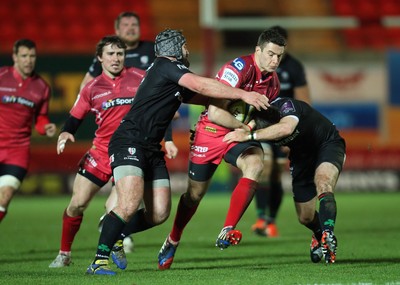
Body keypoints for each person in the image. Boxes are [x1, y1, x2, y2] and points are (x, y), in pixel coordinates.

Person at [85, 28, 270, 275]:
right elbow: (203, 85)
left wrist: (241, 109)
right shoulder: (165, 65)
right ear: (174, 48)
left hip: (151, 148)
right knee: (129, 204)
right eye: (184, 45)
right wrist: (244, 94)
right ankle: (98, 261)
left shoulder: (172, 77)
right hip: (129, 141)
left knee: (159, 213)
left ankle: (117, 230)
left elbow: (206, 98)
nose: (188, 50)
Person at [157, 28, 287, 270]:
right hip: (211, 133)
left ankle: (228, 228)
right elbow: (215, 113)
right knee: (194, 195)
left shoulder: (273, 83)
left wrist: (250, 129)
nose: (275, 61)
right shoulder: (238, 68)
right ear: (257, 50)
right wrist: (243, 128)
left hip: (238, 135)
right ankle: (173, 238)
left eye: (279, 56)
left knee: (256, 163)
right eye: (270, 54)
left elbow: (261, 118)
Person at [80, 11, 178, 252]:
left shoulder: (150, 54)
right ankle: (103, 250)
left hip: (148, 139)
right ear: (117, 28)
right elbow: (86, 89)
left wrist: (169, 138)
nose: (131, 28)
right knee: (123, 200)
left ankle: (115, 228)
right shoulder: (106, 61)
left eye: (135, 24)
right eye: (126, 25)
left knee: (158, 211)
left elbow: (161, 105)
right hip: (122, 138)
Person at [48, 35, 146, 268]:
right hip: (101, 154)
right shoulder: (91, 88)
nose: (116, 58)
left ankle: (111, 247)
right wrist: (65, 132)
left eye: (120, 53)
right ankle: (64, 254)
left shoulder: (140, 78)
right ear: (99, 58)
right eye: (110, 54)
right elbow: (75, 116)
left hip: (129, 153)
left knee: (117, 207)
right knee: (77, 204)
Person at [223, 97, 346, 264]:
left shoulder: (286, 106)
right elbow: (237, 134)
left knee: (323, 182)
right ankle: (319, 234)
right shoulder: (255, 121)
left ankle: (328, 235)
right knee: (305, 217)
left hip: (327, 144)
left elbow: (286, 128)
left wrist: (250, 135)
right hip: (301, 157)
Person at [251, 25, 312, 238]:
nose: (277, 54)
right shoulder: (257, 67)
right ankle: (260, 218)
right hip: (262, 124)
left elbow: (304, 101)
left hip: (286, 127)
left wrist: (296, 135)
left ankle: (271, 220)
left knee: (276, 175)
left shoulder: (294, 67)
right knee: (264, 168)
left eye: (281, 49)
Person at [0, 39, 56, 223]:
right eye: (24, 56)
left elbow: (40, 118)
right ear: (15, 57)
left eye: (32, 56)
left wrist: (45, 127)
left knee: (5, 197)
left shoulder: (41, 87)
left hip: (18, 151)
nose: (28, 60)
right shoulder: (2, 76)